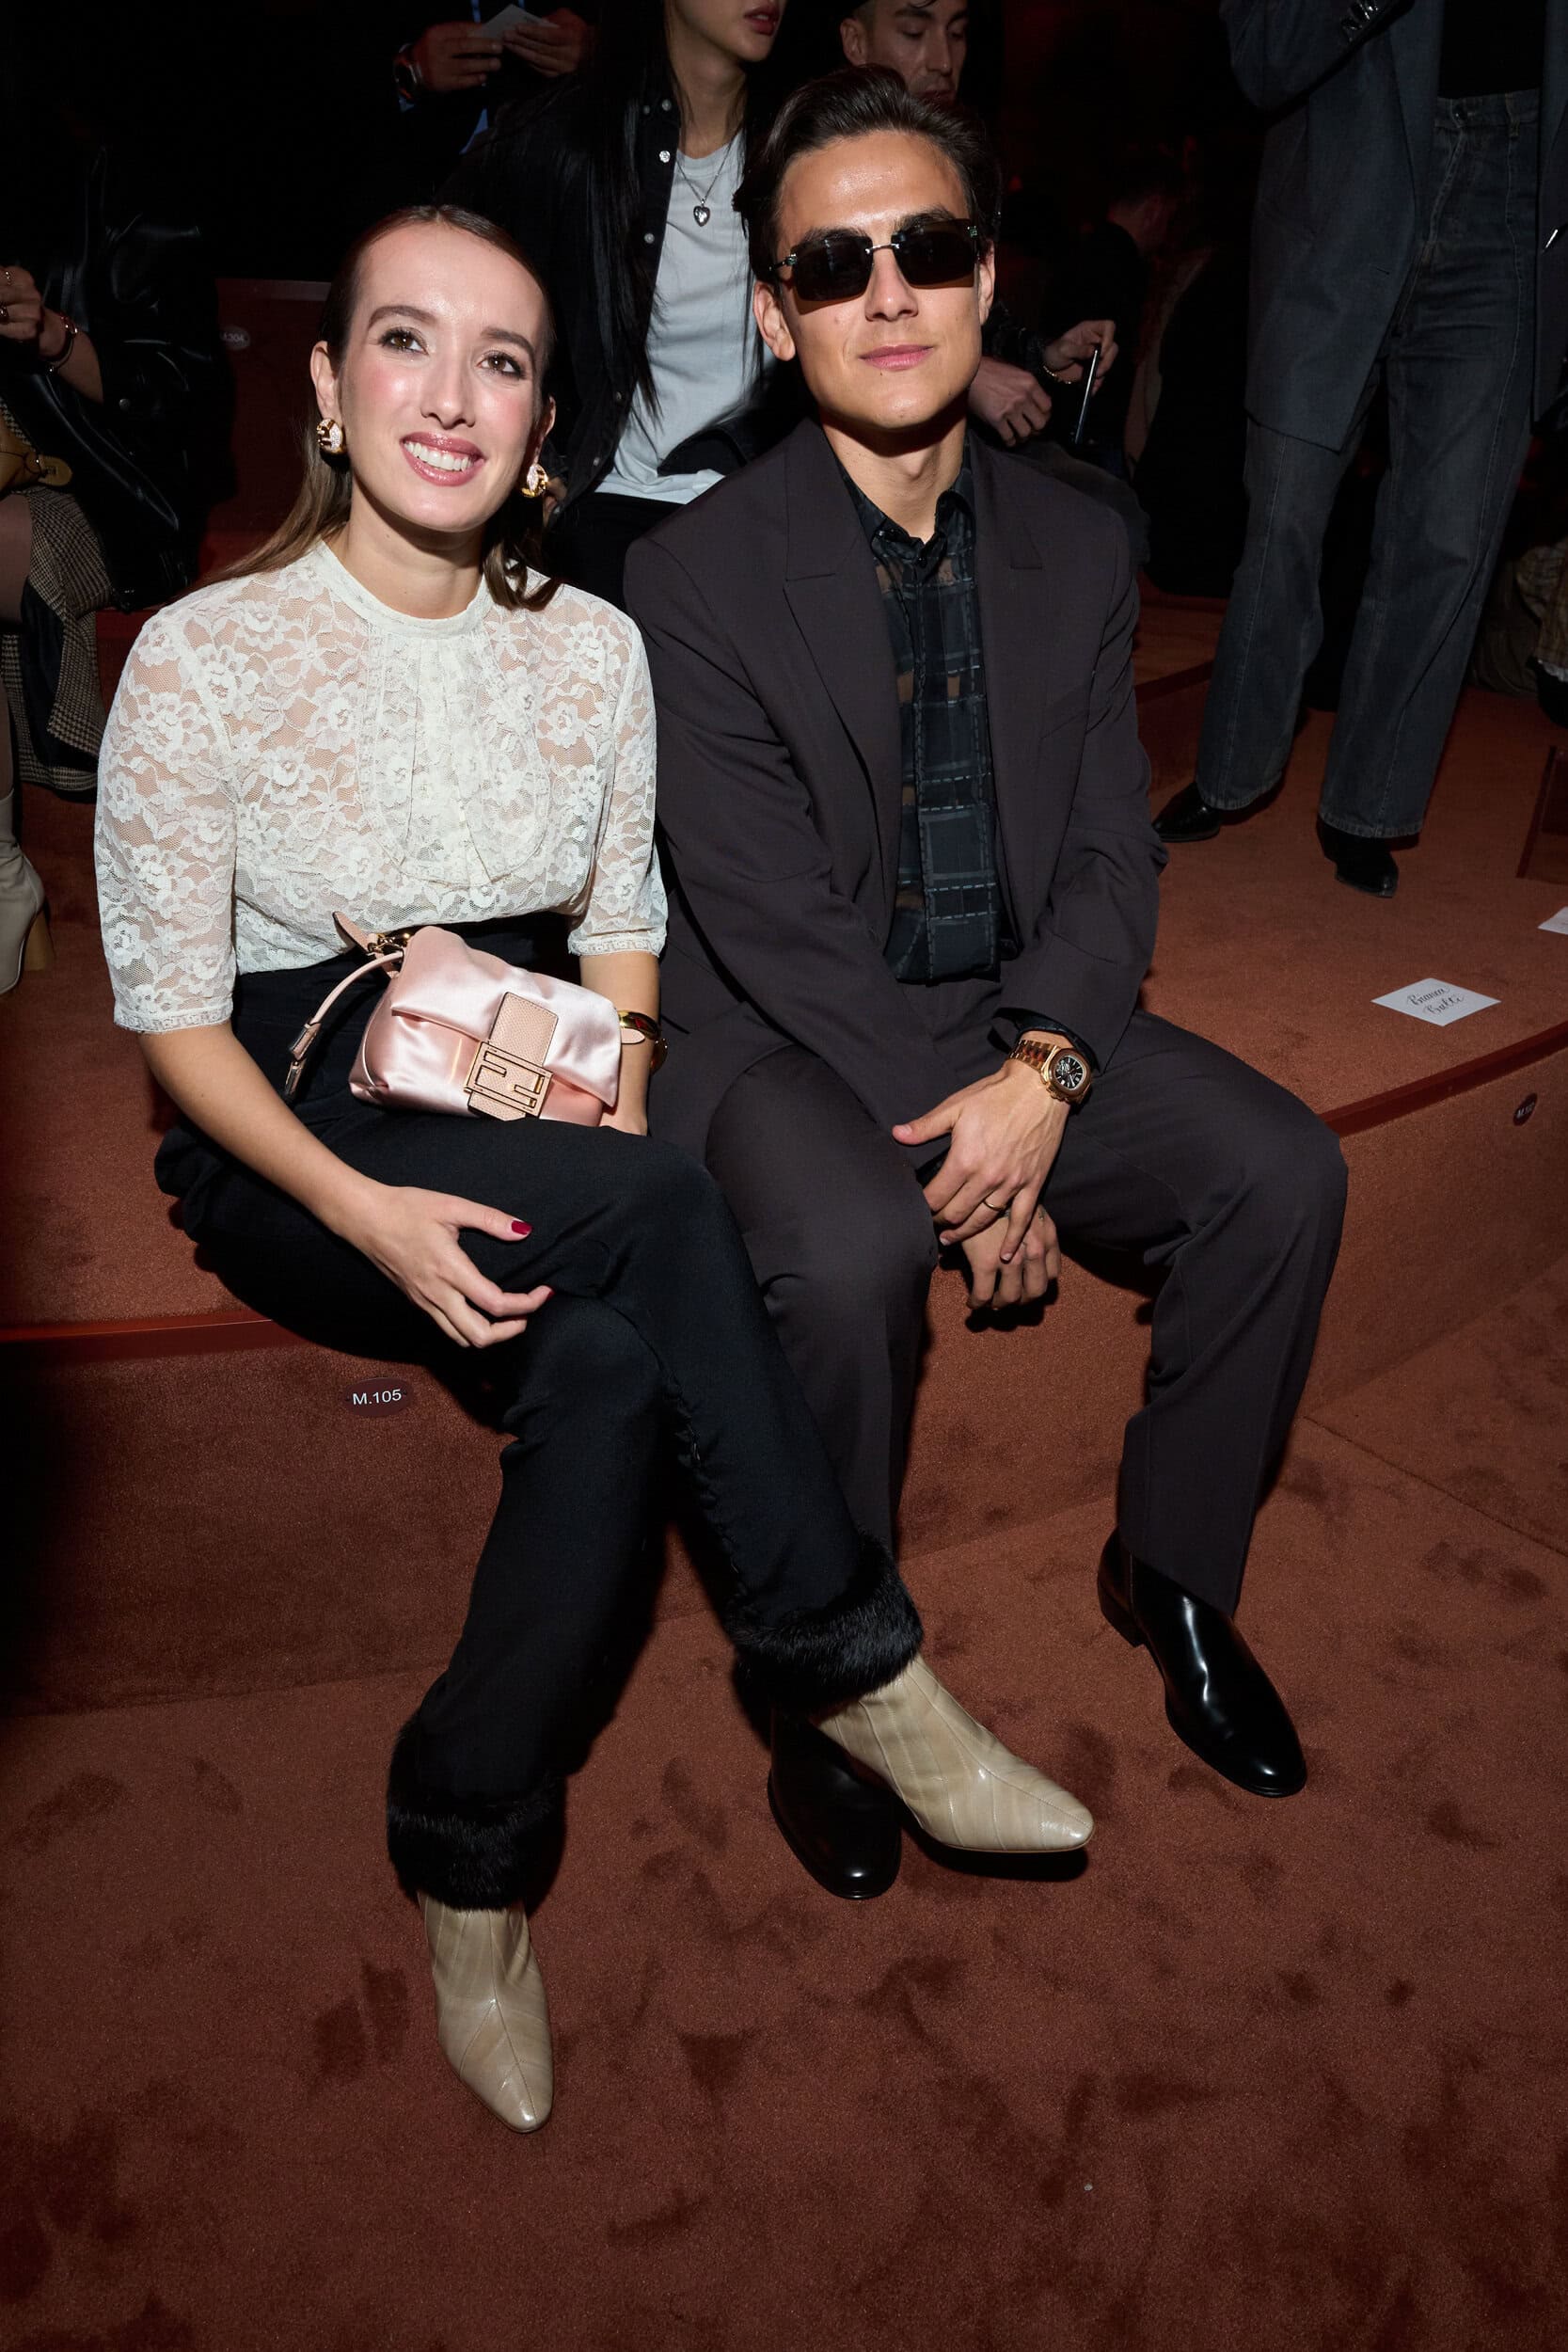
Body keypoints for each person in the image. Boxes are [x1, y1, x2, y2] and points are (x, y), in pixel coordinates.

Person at [93, 202, 1094, 2135]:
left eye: (502, 360)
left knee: (617, 1364)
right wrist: (367, 1211)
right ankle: (854, 1661)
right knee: (664, 1213)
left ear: (546, 421)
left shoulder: (593, 648)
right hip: (295, 1123)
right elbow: (175, 1026)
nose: (450, 395)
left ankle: (467, 1855)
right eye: (404, 340)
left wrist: (609, 1104)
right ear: (326, 385)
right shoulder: (205, 656)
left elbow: (623, 927)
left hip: (522, 1076)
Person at [626, 72, 1349, 1902]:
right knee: (853, 1247)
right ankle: (832, 1674)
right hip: (778, 1034)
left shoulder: (1079, 539)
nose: (887, 294)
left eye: (926, 249)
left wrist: (1041, 1077)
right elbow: (766, 922)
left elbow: (1109, 854)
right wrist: (970, 1158)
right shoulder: (691, 575)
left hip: (1007, 1007)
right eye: (833, 264)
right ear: (776, 314)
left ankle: (1171, 1572)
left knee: (1279, 1171)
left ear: (983, 276)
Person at [1156, 0, 1568, 897]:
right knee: (1285, 510)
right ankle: (1231, 771)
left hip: (1514, 200)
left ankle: (1368, 805)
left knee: (1449, 533)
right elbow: (1261, 60)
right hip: (1344, 187)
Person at [444, 0, 800, 607]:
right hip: (611, 504)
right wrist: (538, 454)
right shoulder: (568, 140)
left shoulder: (805, 143)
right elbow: (444, 274)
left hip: (763, 498)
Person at [0, 110, 222, 993]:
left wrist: (53, 335)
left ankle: (5, 878)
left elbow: (184, 399)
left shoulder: (119, 185)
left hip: (100, 488)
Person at [835, 7, 1144, 550]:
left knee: (1110, 515)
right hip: (853, 448)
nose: (943, 59)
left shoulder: (965, 158)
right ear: (855, 42)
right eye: (914, 32)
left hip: (963, 445)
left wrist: (1045, 358)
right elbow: (817, 329)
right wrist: (966, 375)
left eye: (958, 33)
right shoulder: (824, 162)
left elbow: (982, 317)